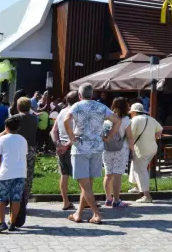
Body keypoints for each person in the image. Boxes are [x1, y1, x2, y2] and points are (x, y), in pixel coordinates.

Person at [63, 83, 120, 224]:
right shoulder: (101, 106)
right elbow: (117, 121)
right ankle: (79, 213)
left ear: (80, 95)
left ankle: (96, 214)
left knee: (84, 185)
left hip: (81, 148)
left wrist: (72, 137)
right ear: (92, 94)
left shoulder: (77, 106)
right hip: (97, 148)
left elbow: (66, 120)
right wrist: (108, 137)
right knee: (87, 184)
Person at [0, 116, 27, 234]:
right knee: (16, 197)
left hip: (6, 172)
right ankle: (13, 222)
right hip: (20, 172)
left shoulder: (2, 139)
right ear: (18, 128)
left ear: (6, 127)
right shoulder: (22, 139)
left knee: (1, 197)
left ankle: (1, 223)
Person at [103, 97, 134, 207]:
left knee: (108, 174)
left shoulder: (107, 119)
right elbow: (130, 136)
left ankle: (108, 198)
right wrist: (132, 150)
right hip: (121, 149)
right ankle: (116, 200)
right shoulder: (126, 120)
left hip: (106, 148)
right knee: (117, 175)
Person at [49, 91, 78, 210]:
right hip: (72, 147)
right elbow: (77, 133)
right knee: (81, 176)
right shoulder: (76, 112)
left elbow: (53, 131)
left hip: (61, 147)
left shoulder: (61, 112)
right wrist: (66, 145)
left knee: (64, 174)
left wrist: (58, 144)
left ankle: (65, 202)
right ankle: (85, 201)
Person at [127, 103, 162, 203]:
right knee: (136, 166)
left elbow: (130, 135)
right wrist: (151, 138)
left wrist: (129, 147)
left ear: (134, 112)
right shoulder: (151, 119)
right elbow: (160, 131)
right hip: (152, 148)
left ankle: (147, 196)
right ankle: (138, 186)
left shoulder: (134, 120)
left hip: (141, 149)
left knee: (141, 170)